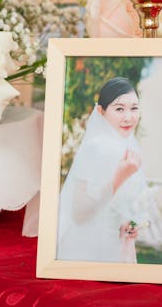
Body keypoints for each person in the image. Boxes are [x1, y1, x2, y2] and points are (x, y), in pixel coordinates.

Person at [57, 77, 154, 264]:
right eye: (119, 109)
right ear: (101, 112)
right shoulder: (94, 147)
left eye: (134, 108)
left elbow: (122, 203)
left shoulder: (128, 147)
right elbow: (79, 213)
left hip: (115, 245)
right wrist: (119, 178)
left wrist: (129, 223)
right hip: (88, 247)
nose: (128, 117)